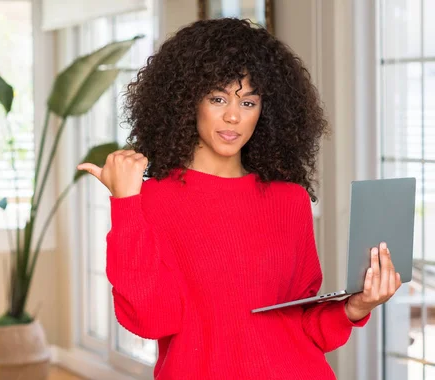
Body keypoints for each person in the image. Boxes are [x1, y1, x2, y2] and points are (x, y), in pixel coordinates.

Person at [77, 18, 401, 379]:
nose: (233, 115)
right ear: (186, 101)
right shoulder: (150, 200)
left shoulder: (289, 200)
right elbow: (151, 319)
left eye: (248, 101)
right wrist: (125, 204)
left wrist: (357, 306)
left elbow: (304, 327)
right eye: (218, 98)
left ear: (265, 111)